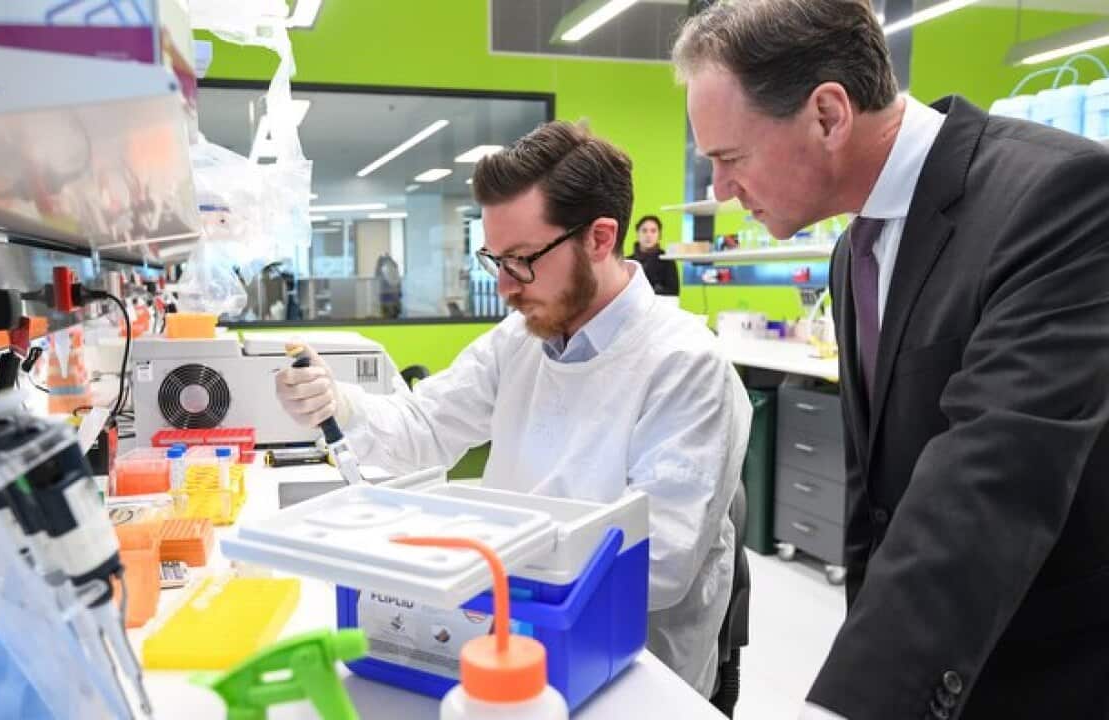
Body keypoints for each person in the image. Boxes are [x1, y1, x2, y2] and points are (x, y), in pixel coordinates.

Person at [674, 1, 1109, 718]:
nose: (720, 190)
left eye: (729, 158)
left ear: (828, 115)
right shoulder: (855, 251)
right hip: (923, 666)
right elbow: (879, 496)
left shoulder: (1056, 198)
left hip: (1042, 666)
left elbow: (986, 485)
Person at [276, 121, 752, 698]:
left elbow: (657, 566)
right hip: (500, 635)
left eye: (522, 260)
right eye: (494, 259)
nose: (504, 285)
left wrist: (472, 557)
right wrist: (342, 405)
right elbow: (425, 427)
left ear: (600, 239)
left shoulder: (685, 365)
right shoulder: (519, 338)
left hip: (625, 669)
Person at [631, 215, 680, 296]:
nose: (648, 235)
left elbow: (673, 291)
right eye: (644, 231)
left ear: (659, 235)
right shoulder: (629, 261)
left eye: (653, 231)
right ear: (637, 234)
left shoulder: (667, 260)